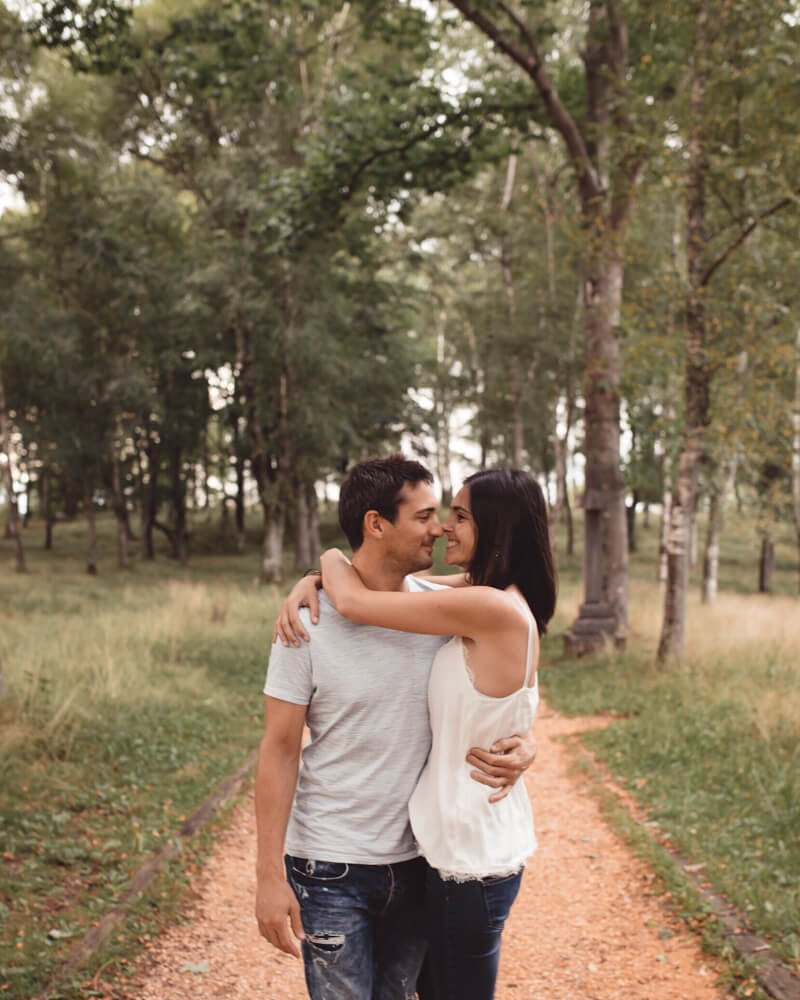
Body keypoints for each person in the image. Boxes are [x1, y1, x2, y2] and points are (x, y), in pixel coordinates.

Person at [254, 456, 537, 1000]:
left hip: (420, 862)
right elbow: (280, 748)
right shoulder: (305, 622)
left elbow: (505, 679)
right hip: (330, 864)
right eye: (426, 515)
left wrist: (527, 740)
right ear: (376, 524)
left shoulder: (447, 609)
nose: (439, 529)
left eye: (448, 516)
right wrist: (268, 875)